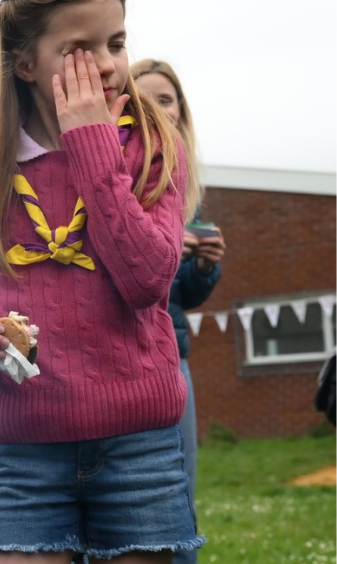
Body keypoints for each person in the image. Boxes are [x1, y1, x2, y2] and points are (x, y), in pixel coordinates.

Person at [0, 0, 205, 562]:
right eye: (78, 50)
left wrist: (92, 142)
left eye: (116, 43)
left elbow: (148, 279)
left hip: (140, 448)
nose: (105, 64)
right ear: (25, 64)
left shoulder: (152, 148)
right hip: (26, 452)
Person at [133, 58, 225, 564]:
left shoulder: (187, 190)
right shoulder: (122, 175)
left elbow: (180, 298)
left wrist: (204, 266)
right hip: (123, 360)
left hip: (175, 359)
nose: (157, 109)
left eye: (166, 99)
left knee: (177, 501)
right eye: (144, 98)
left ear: (181, 111)